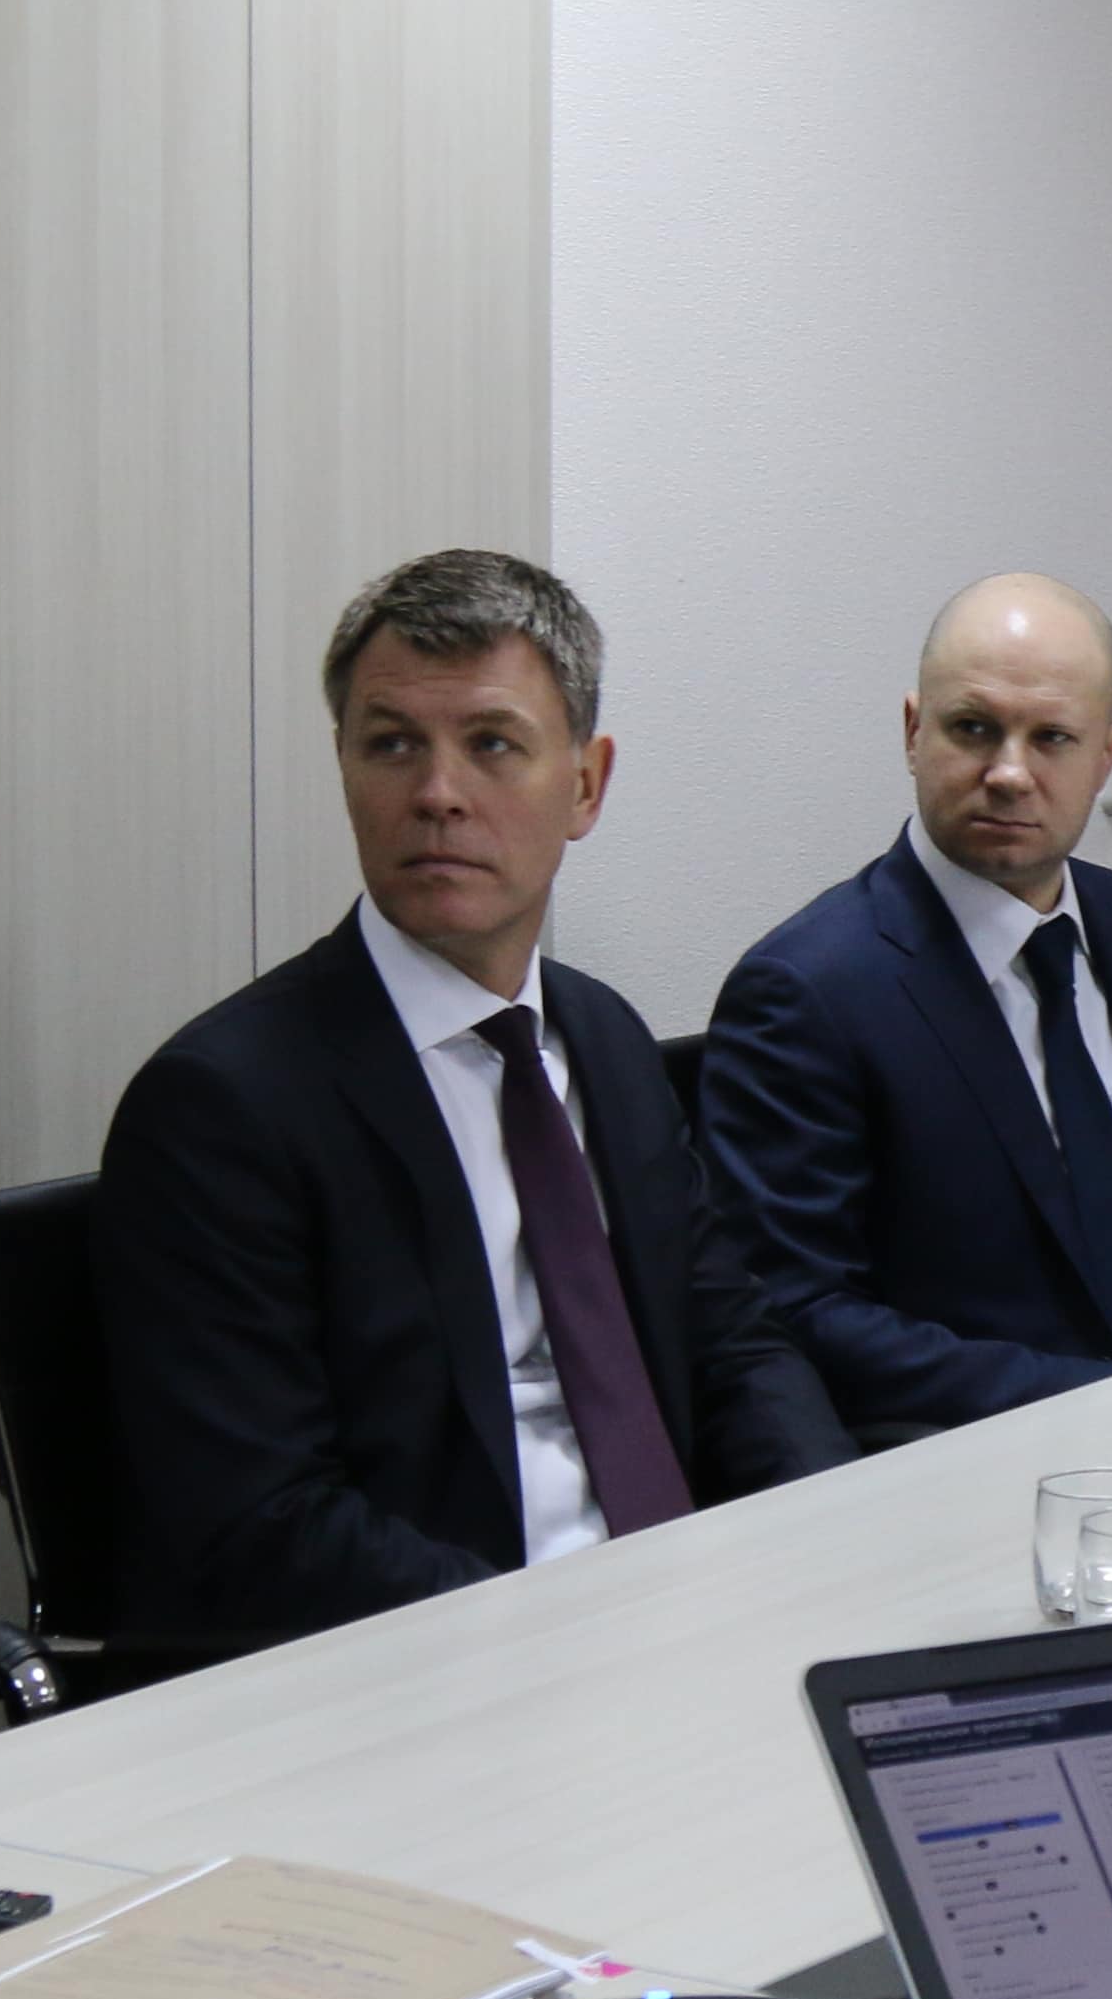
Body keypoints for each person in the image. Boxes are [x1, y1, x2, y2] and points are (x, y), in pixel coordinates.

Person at [97, 551, 845, 1635]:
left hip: (677, 1613)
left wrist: (823, 1527)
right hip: (441, 1650)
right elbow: (264, 1523)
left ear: (585, 785)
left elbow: (729, 1339)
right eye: (392, 744)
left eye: (491, 744)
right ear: (344, 766)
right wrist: (572, 1633)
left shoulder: (605, 1039)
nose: (437, 794)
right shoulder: (224, 1107)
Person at [700, 576, 1112, 1440]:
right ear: (913, 731)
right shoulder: (808, 991)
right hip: (1009, 1445)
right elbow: (803, 1313)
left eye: (1052, 738)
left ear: (1106, 754)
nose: (1008, 772)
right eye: (972, 728)